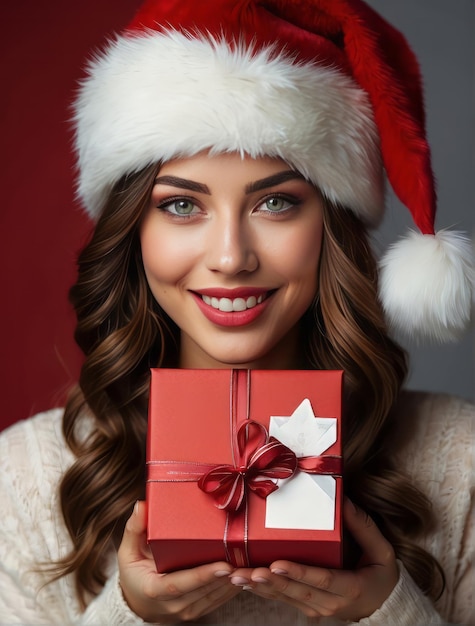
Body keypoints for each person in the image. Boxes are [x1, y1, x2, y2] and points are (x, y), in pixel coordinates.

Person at [0, 0, 473, 624]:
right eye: (181, 206)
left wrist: (388, 613)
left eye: (275, 203)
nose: (230, 258)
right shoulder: (25, 477)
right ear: (133, 230)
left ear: (331, 226)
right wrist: (128, 615)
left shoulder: (460, 460)